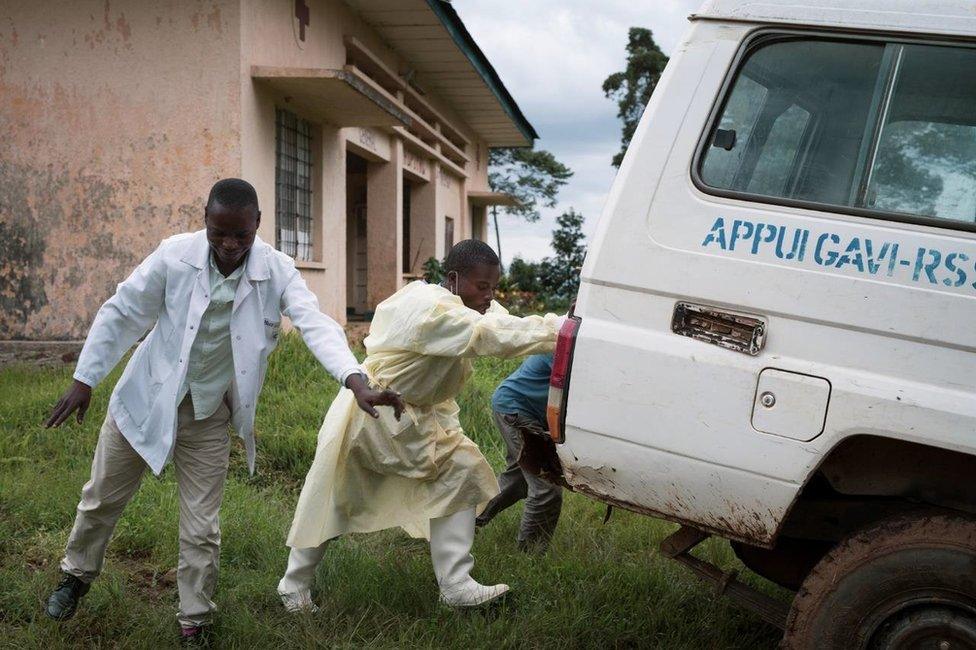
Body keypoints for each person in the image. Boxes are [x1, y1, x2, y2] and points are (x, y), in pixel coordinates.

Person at [42, 178, 402, 645]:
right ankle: (76, 576)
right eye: (219, 234)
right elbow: (123, 310)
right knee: (101, 499)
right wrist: (84, 378)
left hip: (207, 413)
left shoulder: (277, 270)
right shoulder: (174, 255)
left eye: (241, 235)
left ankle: (195, 618)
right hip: (145, 399)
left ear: (257, 225)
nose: (230, 245)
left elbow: (315, 323)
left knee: (201, 527)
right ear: (205, 221)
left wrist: (355, 380)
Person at [277, 240, 562, 612]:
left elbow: (501, 323)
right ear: (455, 279)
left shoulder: (462, 304)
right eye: (482, 286)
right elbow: (487, 335)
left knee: (464, 473)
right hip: (375, 414)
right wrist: (563, 331)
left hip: (420, 417)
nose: (489, 296)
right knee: (335, 499)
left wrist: (563, 323)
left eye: (494, 287)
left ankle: (457, 585)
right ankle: (293, 586)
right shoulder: (432, 311)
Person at [475, 353, 563, 551]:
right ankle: (530, 556)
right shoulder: (569, 341)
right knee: (546, 487)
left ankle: (463, 524)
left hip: (515, 406)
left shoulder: (574, 333)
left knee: (519, 479)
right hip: (516, 410)